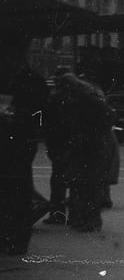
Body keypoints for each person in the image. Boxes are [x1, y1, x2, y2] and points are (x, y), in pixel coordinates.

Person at [0, 39, 49, 254]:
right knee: (13, 189)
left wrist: (18, 117)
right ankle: (11, 236)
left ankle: (17, 239)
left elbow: (41, 113)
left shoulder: (30, 80)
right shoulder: (16, 78)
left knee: (17, 189)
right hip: (13, 140)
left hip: (19, 140)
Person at [50, 73, 113, 232]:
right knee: (84, 183)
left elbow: (107, 117)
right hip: (87, 143)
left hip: (89, 144)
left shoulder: (85, 99)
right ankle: (86, 218)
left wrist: (92, 133)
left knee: (86, 183)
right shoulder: (84, 97)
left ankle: (90, 219)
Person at [43, 66, 73, 225]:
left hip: (59, 143)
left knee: (58, 179)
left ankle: (58, 213)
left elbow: (49, 123)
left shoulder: (56, 98)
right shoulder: (73, 97)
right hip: (69, 142)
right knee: (71, 178)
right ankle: (72, 213)